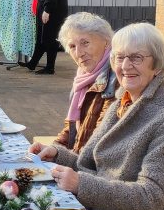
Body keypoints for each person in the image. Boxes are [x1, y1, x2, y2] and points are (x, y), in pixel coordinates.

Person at [31, 23, 164, 210]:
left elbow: (150, 197)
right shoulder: (124, 100)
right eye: (119, 58)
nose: (125, 66)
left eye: (136, 58)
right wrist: (57, 155)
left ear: (157, 65)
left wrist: (80, 185)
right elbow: (95, 164)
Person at [28, 12, 117, 155]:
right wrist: (55, 148)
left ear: (106, 41)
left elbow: (98, 142)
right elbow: (73, 128)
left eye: (85, 43)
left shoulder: (116, 79)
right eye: (72, 46)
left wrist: (62, 158)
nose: (79, 53)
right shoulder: (83, 77)